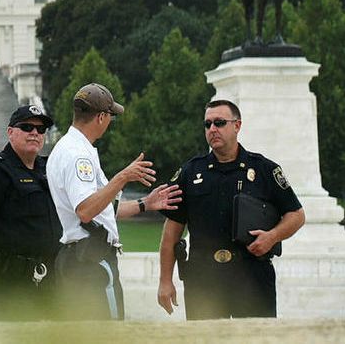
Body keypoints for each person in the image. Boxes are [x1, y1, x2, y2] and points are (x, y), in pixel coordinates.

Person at [156, 99, 305, 319]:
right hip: (204, 280)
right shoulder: (190, 172)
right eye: (207, 124)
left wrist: (272, 237)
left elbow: (297, 215)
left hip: (252, 277)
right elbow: (171, 232)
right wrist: (165, 281)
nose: (212, 129)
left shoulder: (264, 169)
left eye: (219, 122)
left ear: (237, 125)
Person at [47, 83, 180, 320]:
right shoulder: (78, 155)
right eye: (110, 116)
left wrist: (145, 204)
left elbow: (102, 209)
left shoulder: (68, 148)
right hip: (90, 261)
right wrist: (123, 177)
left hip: (79, 259)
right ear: (100, 117)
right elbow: (86, 211)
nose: (110, 122)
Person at [0, 103, 61, 321]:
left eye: (41, 129)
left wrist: (141, 204)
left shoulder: (49, 168)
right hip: (12, 279)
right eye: (27, 127)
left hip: (51, 277)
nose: (35, 133)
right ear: (10, 132)